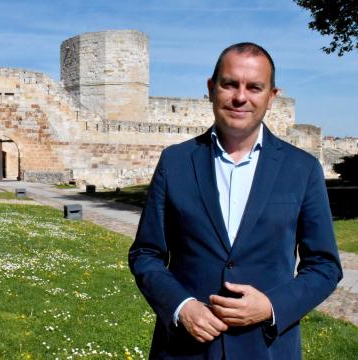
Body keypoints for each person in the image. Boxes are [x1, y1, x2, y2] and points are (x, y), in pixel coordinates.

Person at [128, 42, 343, 359]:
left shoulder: (302, 169)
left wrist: (271, 306)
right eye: (230, 84)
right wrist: (181, 306)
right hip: (186, 349)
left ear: (271, 97)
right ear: (212, 89)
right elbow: (146, 254)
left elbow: (324, 267)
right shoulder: (175, 162)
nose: (241, 97)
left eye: (254, 87)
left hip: (267, 348)